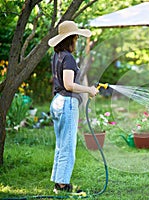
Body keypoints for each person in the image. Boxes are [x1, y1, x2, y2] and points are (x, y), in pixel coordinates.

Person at [48, 21, 98, 193]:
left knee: (61, 144)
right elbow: (69, 85)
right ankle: (62, 185)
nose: (77, 40)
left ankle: (58, 181)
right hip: (67, 102)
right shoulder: (68, 58)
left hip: (57, 101)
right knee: (68, 145)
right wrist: (89, 90)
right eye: (76, 37)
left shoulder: (57, 56)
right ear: (70, 39)